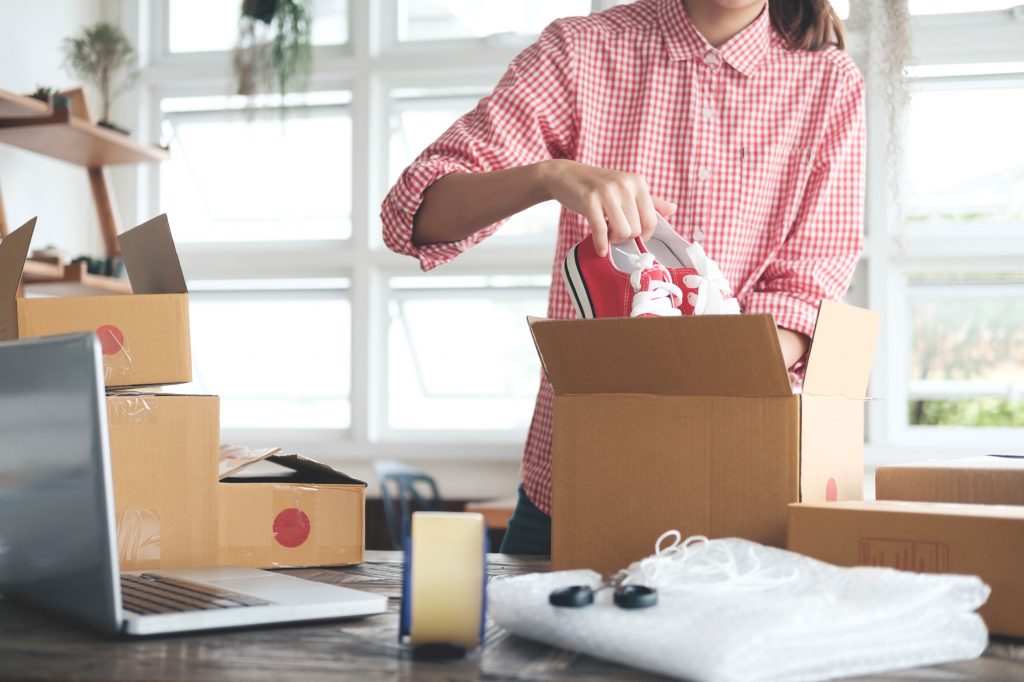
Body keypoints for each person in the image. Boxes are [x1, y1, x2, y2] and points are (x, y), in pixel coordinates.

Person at [380, 0, 864, 555]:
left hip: (743, 488)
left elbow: (807, 296)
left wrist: (685, 366)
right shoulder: (583, 50)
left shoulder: (830, 83)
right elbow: (410, 217)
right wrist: (548, 176)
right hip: (575, 485)